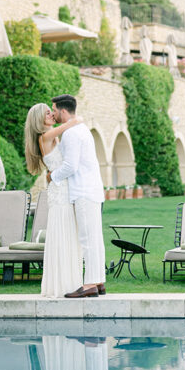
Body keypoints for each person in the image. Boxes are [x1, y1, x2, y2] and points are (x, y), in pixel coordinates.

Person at [49, 95, 106, 298]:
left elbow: (70, 166)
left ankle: (90, 284)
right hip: (93, 190)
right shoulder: (81, 129)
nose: (53, 113)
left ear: (63, 111)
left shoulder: (72, 133)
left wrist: (52, 176)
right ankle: (99, 281)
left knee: (87, 239)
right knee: (95, 238)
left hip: (83, 191)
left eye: (54, 109)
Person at [24, 103, 83, 298]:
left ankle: (71, 281)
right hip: (59, 193)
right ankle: (62, 285)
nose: (51, 115)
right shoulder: (45, 136)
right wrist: (76, 120)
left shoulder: (52, 136)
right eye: (47, 113)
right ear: (39, 119)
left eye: (51, 112)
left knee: (70, 234)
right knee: (62, 234)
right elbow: (71, 123)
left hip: (63, 188)